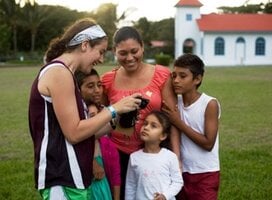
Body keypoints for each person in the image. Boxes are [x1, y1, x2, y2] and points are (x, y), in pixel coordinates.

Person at [28, 18, 141, 200]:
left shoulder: (67, 74)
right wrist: (113, 109)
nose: (102, 59)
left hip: (74, 177)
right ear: (85, 45)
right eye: (101, 52)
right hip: (62, 176)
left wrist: (118, 117)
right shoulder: (59, 73)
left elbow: (85, 132)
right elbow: (74, 133)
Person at [101, 26, 178, 199]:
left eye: (134, 51)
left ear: (142, 47)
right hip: (117, 154)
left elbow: (172, 119)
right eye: (122, 53)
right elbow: (100, 119)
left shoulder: (161, 74)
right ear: (114, 51)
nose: (129, 58)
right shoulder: (107, 80)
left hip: (153, 153)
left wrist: (176, 157)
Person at [162, 53, 221, 200]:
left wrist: (178, 122)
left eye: (183, 76)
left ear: (197, 79)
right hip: (181, 172)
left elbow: (208, 143)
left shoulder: (209, 104)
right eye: (174, 76)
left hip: (205, 173)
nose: (176, 80)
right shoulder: (176, 104)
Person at [75, 69, 121, 200]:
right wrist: (93, 162)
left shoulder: (98, 107)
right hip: (86, 167)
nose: (97, 90)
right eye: (90, 86)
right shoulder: (77, 111)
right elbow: (81, 136)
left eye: (99, 85)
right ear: (78, 89)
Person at [125, 111, 183, 200]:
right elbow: (130, 186)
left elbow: (178, 182)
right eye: (145, 124)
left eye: (153, 126)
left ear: (163, 136)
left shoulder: (170, 157)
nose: (146, 128)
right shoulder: (134, 157)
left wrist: (165, 196)